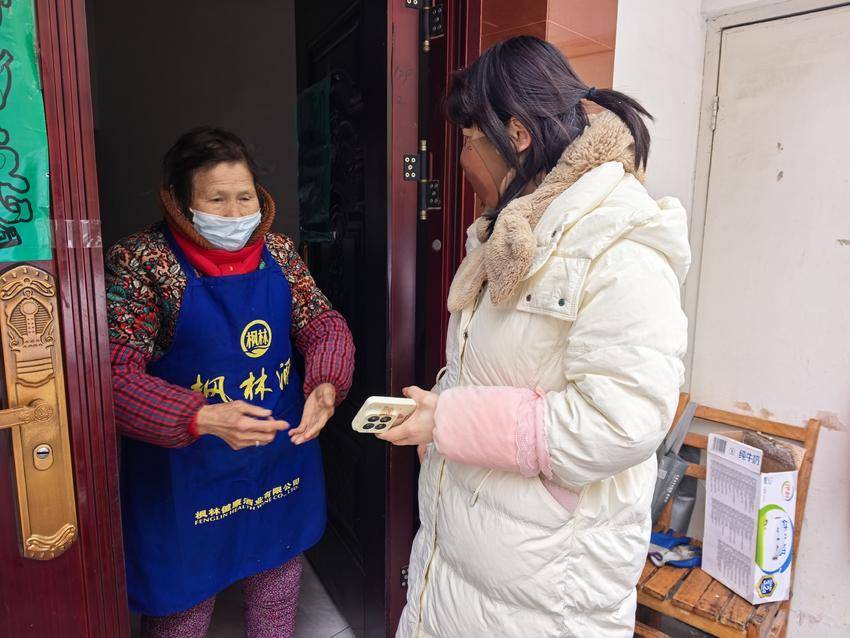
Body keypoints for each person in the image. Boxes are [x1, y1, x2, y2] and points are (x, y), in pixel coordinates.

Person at [379, 36, 691, 637]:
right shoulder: (513, 230)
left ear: (517, 135)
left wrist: (449, 421)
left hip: (547, 589)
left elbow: (619, 422)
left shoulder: (620, 244)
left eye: (468, 139)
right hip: (472, 558)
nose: (462, 160)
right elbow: (497, 367)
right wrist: (437, 411)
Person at [105, 127, 354, 637]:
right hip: (187, 473)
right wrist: (199, 415)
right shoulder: (141, 261)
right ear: (179, 201)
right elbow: (112, 374)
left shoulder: (278, 253)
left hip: (276, 456)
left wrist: (327, 382)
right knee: (184, 606)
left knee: (276, 584)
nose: (235, 212)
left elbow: (321, 322)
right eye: (216, 200)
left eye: (244, 197)